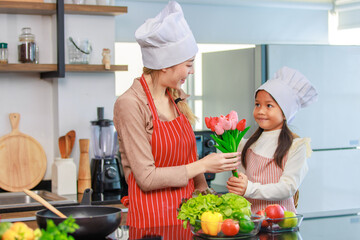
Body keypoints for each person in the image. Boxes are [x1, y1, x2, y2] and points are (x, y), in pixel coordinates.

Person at [113, 0, 240, 235]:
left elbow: (188, 153)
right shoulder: (130, 104)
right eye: (188, 64)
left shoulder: (176, 97)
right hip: (153, 221)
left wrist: (203, 189)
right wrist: (203, 164)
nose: (191, 71)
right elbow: (147, 178)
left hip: (188, 214)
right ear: (165, 65)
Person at [226, 66, 318, 213]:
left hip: (280, 223)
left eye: (269, 105)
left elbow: (287, 188)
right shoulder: (246, 144)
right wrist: (237, 185)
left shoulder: (296, 146)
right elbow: (241, 178)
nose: (261, 111)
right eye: (257, 104)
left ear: (285, 113)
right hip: (250, 222)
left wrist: (249, 188)